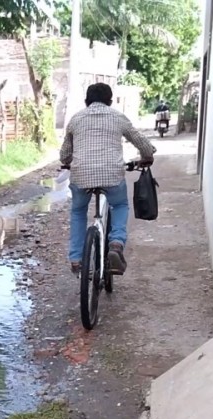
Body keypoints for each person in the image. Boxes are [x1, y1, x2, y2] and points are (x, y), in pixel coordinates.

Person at [59, 83, 156, 275]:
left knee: (78, 211)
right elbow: (143, 144)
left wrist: (69, 161)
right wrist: (147, 158)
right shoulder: (118, 117)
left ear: (86, 101)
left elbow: (65, 155)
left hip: (81, 176)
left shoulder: (76, 119)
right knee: (119, 205)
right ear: (110, 101)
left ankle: (76, 259)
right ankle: (116, 243)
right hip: (112, 175)